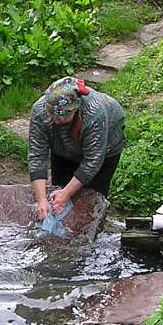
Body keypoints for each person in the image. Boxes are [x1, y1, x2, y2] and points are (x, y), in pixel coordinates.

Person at [27, 76, 124, 221]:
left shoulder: (94, 113)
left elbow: (92, 162)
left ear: (75, 110)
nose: (54, 119)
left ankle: (92, 235)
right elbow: (36, 155)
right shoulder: (40, 110)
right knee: (58, 193)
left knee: (92, 201)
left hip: (106, 147)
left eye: (61, 116)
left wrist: (66, 194)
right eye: (51, 114)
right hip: (62, 147)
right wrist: (42, 201)